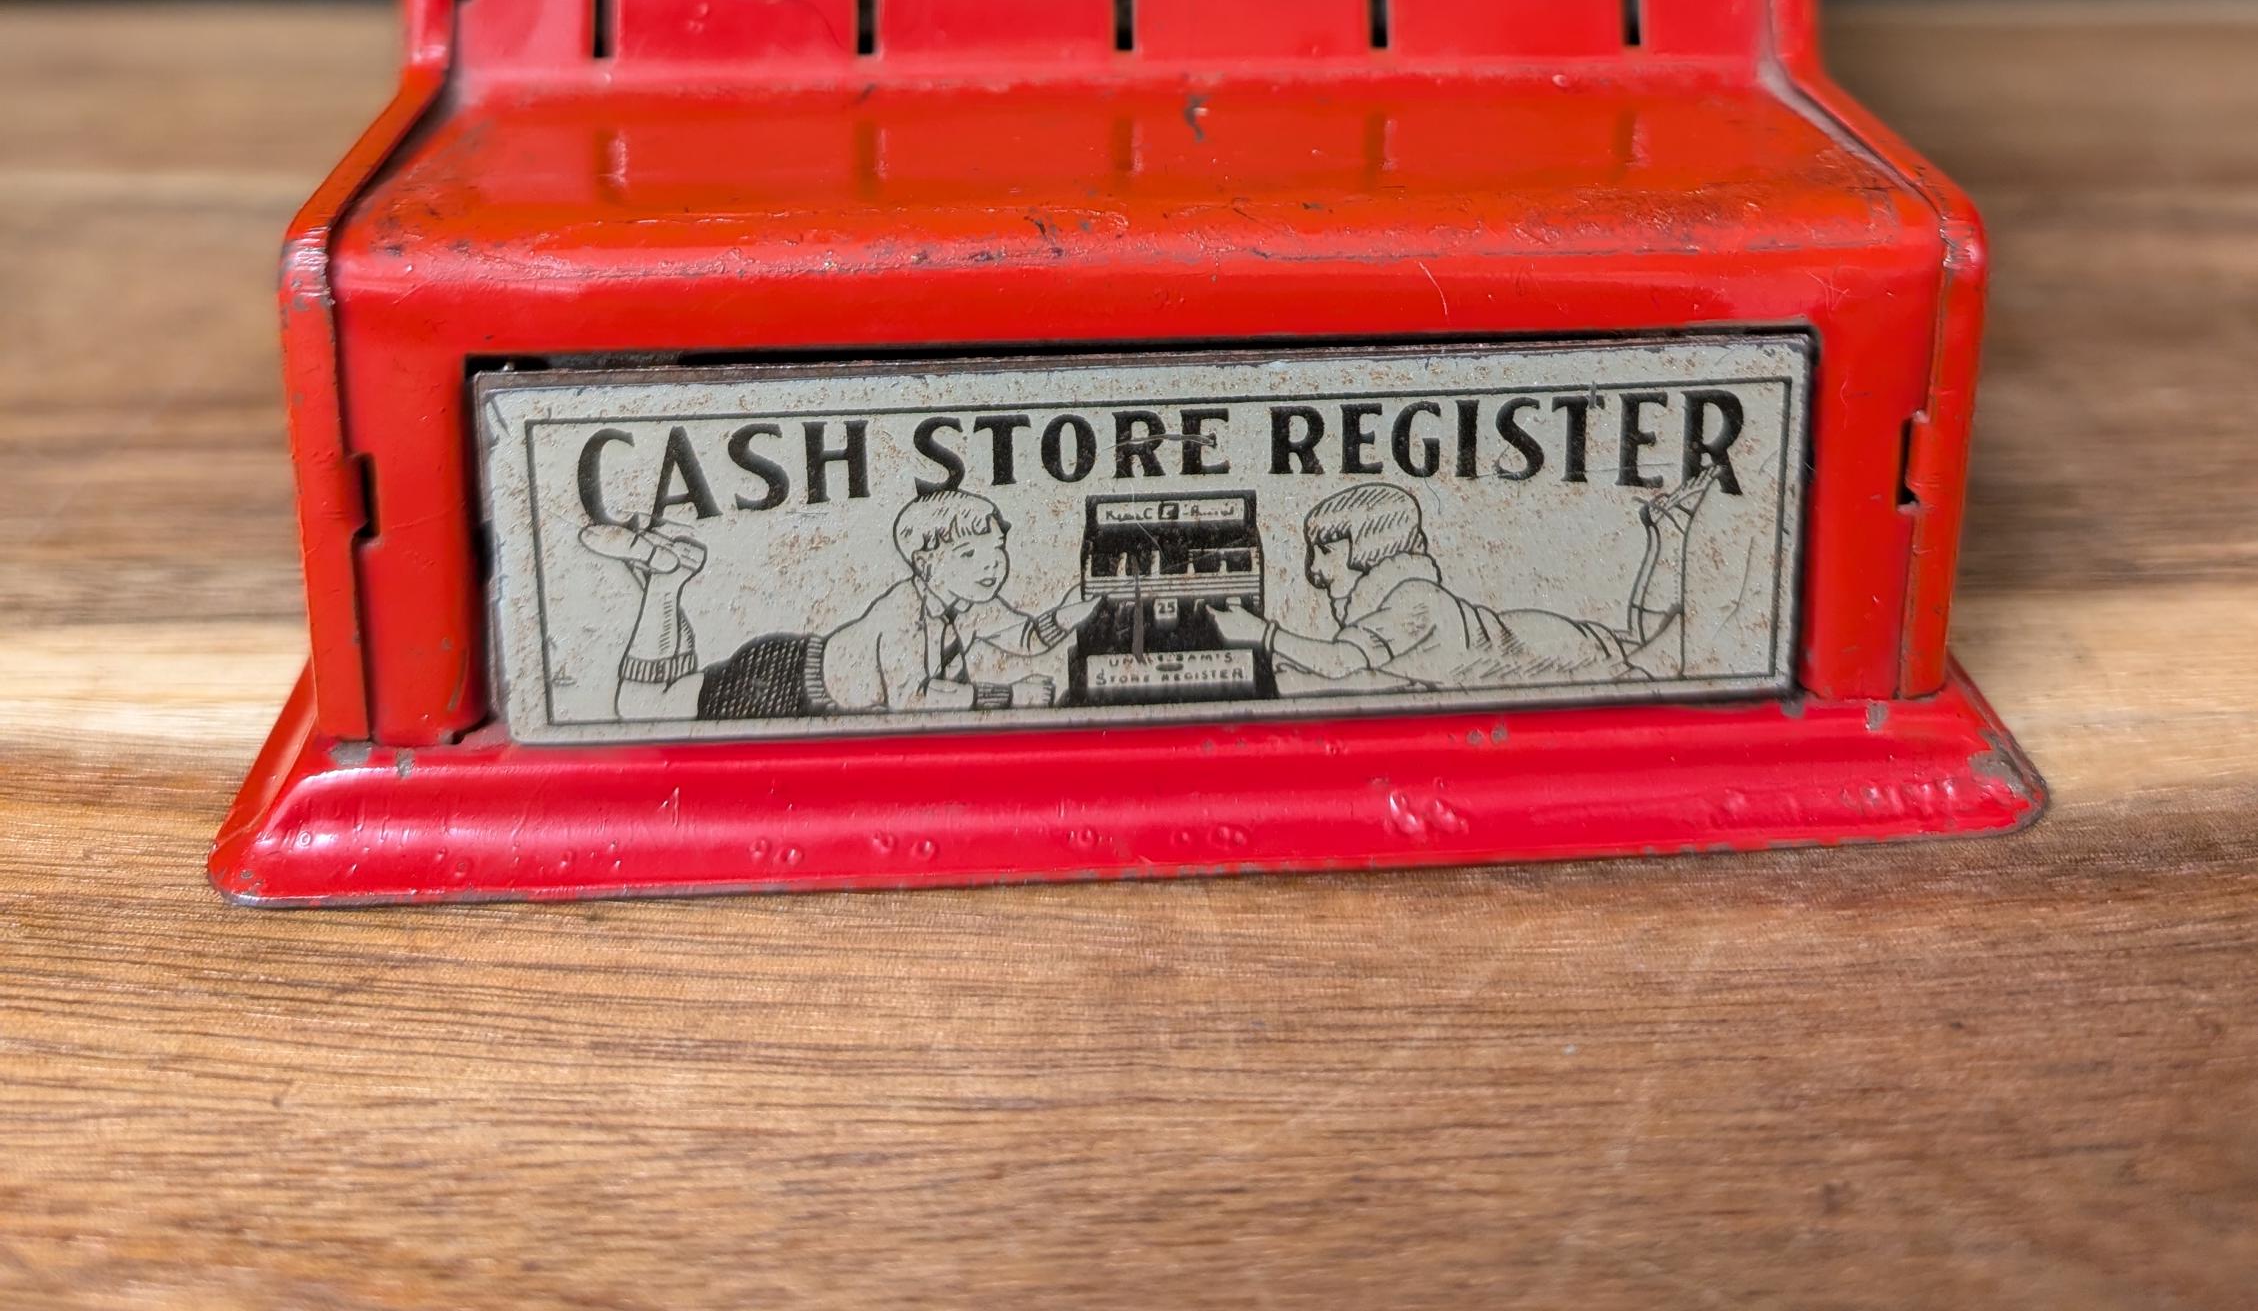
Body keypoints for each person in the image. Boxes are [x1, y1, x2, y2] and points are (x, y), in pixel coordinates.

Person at [582, 488, 1102, 723]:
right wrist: (1006, 697)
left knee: (659, 700)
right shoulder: (904, 611)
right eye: (969, 553)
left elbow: (1026, 637)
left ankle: (668, 581)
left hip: (807, 688)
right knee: (642, 708)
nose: (992, 565)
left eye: (996, 550)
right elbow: (911, 702)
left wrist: (1071, 611)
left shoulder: (972, 603)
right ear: (926, 563)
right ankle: (666, 585)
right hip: (781, 684)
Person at [1204, 472, 1716, 693]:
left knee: (1658, 658)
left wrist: (1261, 634)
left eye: (1327, 551)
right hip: (1520, 635)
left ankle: (1670, 535)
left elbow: (1341, 662)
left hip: (1541, 649)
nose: (1315, 566)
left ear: (1368, 550)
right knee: (1640, 642)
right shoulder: (1384, 596)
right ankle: (1668, 534)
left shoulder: (1410, 603)